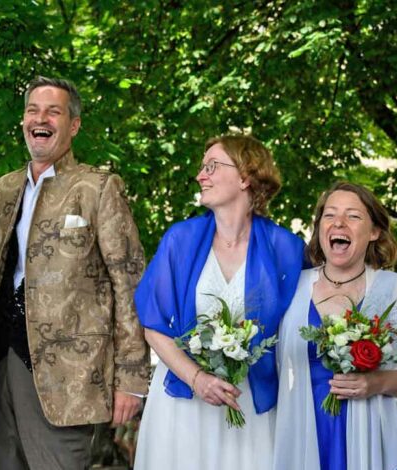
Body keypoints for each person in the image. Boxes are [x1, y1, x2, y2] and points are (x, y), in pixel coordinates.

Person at [0, 76, 150, 470]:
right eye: (32, 110)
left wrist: (130, 378)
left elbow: (130, 284)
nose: (41, 119)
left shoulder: (98, 187)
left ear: (73, 125)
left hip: (70, 377)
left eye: (53, 111)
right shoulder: (0, 191)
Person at [134, 135, 305, 469]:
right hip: (183, 404)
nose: (201, 175)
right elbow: (153, 327)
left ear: (246, 177)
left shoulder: (286, 248)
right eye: (202, 167)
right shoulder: (179, 240)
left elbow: (304, 321)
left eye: (212, 166)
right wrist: (197, 378)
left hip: (250, 406)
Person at [274, 181, 397, 469]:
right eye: (329, 215)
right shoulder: (293, 287)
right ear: (319, 229)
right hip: (308, 429)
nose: (338, 222)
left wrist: (373, 383)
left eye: (353, 216)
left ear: (374, 232)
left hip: (380, 433)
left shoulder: (395, 288)